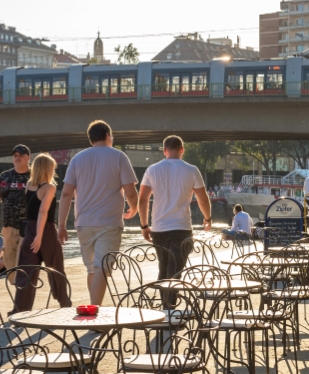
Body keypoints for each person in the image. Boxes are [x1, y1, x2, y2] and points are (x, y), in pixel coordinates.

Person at [58, 120, 139, 304]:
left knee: (92, 269)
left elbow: (66, 194)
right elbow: (130, 191)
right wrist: (134, 208)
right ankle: (93, 312)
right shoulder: (119, 157)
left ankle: (94, 308)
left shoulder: (77, 159)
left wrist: (62, 225)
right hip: (109, 223)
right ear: (108, 136)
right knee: (102, 268)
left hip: (84, 224)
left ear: (91, 138)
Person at [137, 135, 212, 279]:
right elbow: (203, 200)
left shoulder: (152, 170)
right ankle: (169, 300)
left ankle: (166, 300)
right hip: (181, 228)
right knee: (175, 271)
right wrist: (208, 218)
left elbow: (143, 199)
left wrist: (144, 225)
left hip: (159, 229)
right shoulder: (191, 170)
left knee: (164, 268)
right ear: (182, 150)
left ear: (164, 150)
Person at [15, 153, 71, 312]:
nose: (54, 171)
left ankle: (20, 309)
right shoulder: (50, 187)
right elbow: (43, 212)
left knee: (26, 271)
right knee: (56, 268)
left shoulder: (29, 185)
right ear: (48, 169)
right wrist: (39, 236)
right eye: (52, 168)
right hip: (46, 231)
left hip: (29, 230)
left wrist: (33, 234)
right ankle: (64, 303)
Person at [0, 144, 31, 284]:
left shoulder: (35, 176)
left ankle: (23, 294)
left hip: (29, 227)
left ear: (28, 158)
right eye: (15, 156)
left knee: (23, 262)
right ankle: (18, 290)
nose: (17, 158)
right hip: (9, 227)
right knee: (10, 264)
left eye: (21, 155)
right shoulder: (5, 177)